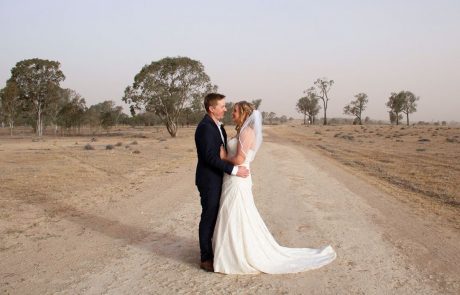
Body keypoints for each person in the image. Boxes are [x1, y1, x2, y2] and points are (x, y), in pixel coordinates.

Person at [212, 101, 336, 274]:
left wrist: (223, 157)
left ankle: (235, 255)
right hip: (233, 178)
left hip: (238, 179)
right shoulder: (241, 131)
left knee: (236, 213)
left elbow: (240, 159)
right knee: (234, 214)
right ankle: (228, 252)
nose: (231, 113)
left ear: (244, 115)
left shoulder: (247, 132)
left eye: (235, 111)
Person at [194, 93, 250, 272]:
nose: (225, 109)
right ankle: (205, 258)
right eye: (223, 106)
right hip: (209, 180)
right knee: (209, 216)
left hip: (222, 178)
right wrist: (233, 170)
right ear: (212, 108)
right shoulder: (205, 127)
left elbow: (224, 153)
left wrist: (229, 164)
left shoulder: (219, 127)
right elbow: (210, 157)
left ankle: (220, 250)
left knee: (220, 216)